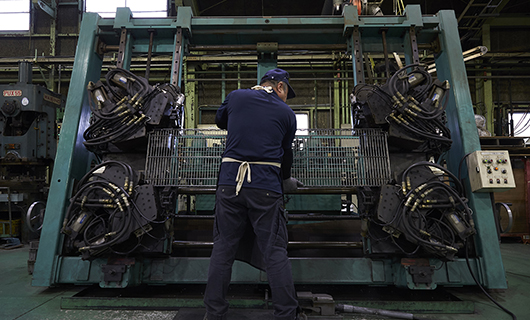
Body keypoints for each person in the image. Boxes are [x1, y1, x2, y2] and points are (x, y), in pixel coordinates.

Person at [203, 68, 304, 320]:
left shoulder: (236, 96)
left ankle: (214, 314)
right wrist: (286, 180)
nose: (286, 99)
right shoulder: (287, 114)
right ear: (280, 87)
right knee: (274, 251)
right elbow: (285, 155)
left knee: (223, 249)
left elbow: (220, 121)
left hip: (229, 184)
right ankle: (286, 314)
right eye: (286, 93)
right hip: (266, 188)